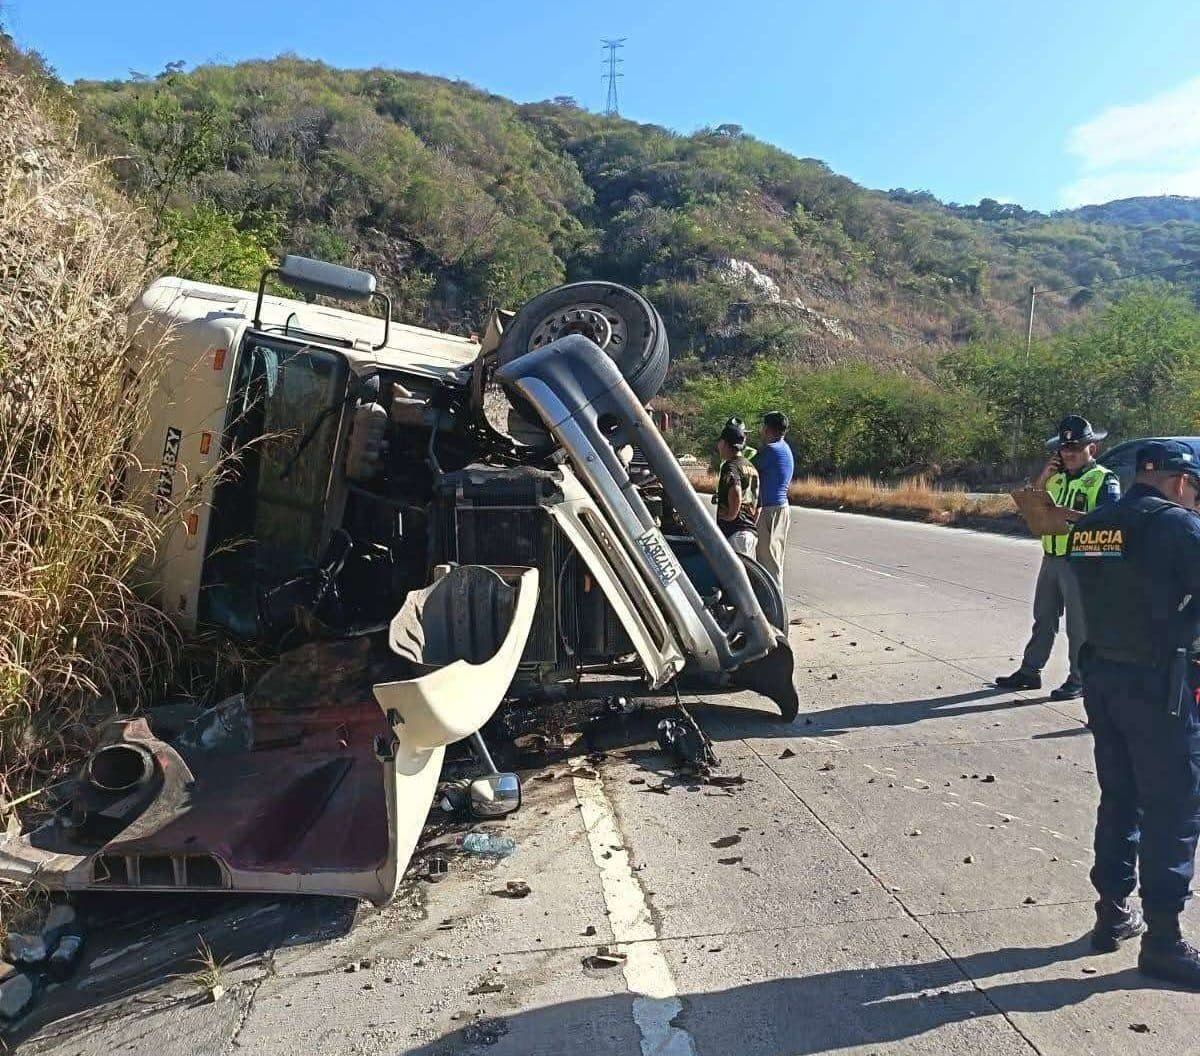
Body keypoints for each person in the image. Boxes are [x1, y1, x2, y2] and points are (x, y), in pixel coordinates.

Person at [1067, 440, 1200, 986]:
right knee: (1171, 806)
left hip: (1103, 678)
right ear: (1179, 482)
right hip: (1159, 685)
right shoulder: (1179, 528)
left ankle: (1113, 911)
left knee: (1120, 796)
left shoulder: (1093, 526)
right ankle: (1164, 941)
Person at [996, 415, 1120, 700]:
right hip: (1052, 557)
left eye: (1076, 448)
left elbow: (1111, 521)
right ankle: (1030, 672)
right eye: (1064, 449)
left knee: (1079, 627)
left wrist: (1071, 516)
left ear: (1093, 449)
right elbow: (1035, 505)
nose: (1069, 454)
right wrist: (1043, 477)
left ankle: (1079, 679)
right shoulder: (1057, 479)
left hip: (1082, 561)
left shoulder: (1102, 479)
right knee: (1043, 618)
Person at [755, 411, 794, 589]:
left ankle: (774, 609)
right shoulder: (785, 448)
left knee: (767, 563)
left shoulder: (770, 451)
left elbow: (749, 467)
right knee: (775, 559)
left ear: (767, 429)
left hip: (771, 511)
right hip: (781, 508)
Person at [715, 417, 760, 556]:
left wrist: (731, 516)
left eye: (720, 442)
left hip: (735, 533)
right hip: (749, 533)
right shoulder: (750, 466)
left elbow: (735, 489)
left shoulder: (731, 465)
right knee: (746, 575)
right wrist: (749, 524)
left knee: (732, 576)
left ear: (724, 443)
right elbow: (759, 506)